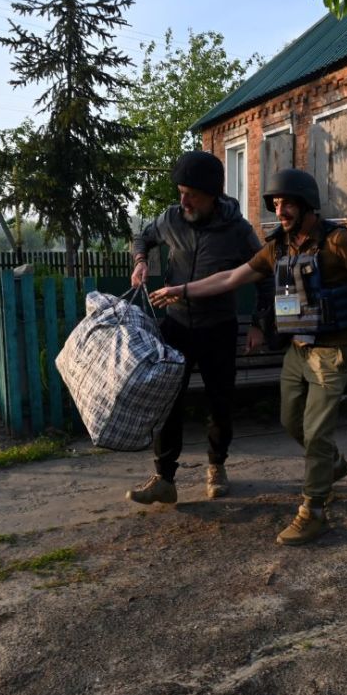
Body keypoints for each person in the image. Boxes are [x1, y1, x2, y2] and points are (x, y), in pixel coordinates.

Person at [149, 169, 347, 546]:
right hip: (298, 348)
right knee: (290, 421)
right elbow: (230, 278)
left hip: (333, 349)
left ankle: (314, 511)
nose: (281, 211)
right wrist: (182, 289)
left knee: (317, 428)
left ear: (308, 205)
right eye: (276, 204)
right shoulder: (278, 247)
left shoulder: (339, 240)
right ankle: (333, 464)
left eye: (288, 203)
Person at [125, 150, 273, 505]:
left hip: (218, 328)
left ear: (213, 195)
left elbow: (265, 275)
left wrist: (258, 324)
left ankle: (216, 467)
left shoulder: (237, 230)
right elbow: (141, 238)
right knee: (166, 401)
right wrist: (141, 261)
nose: (183, 200)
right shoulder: (171, 219)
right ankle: (164, 478)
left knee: (219, 402)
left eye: (191, 194)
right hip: (175, 326)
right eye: (180, 192)